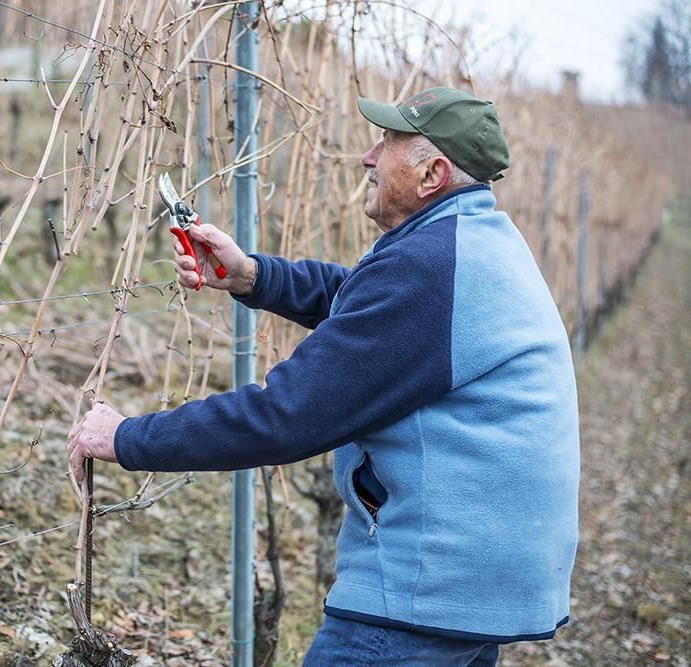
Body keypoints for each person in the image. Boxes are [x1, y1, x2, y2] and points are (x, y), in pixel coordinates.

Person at [66, 87, 580, 666]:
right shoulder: (474, 242)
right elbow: (366, 303)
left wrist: (128, 437)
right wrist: (253, 276)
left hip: (427, 588)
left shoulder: (428, 269)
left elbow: (285, 415)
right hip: (481, 578)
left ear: (432, 174)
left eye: (387, 142)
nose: (367, 156)